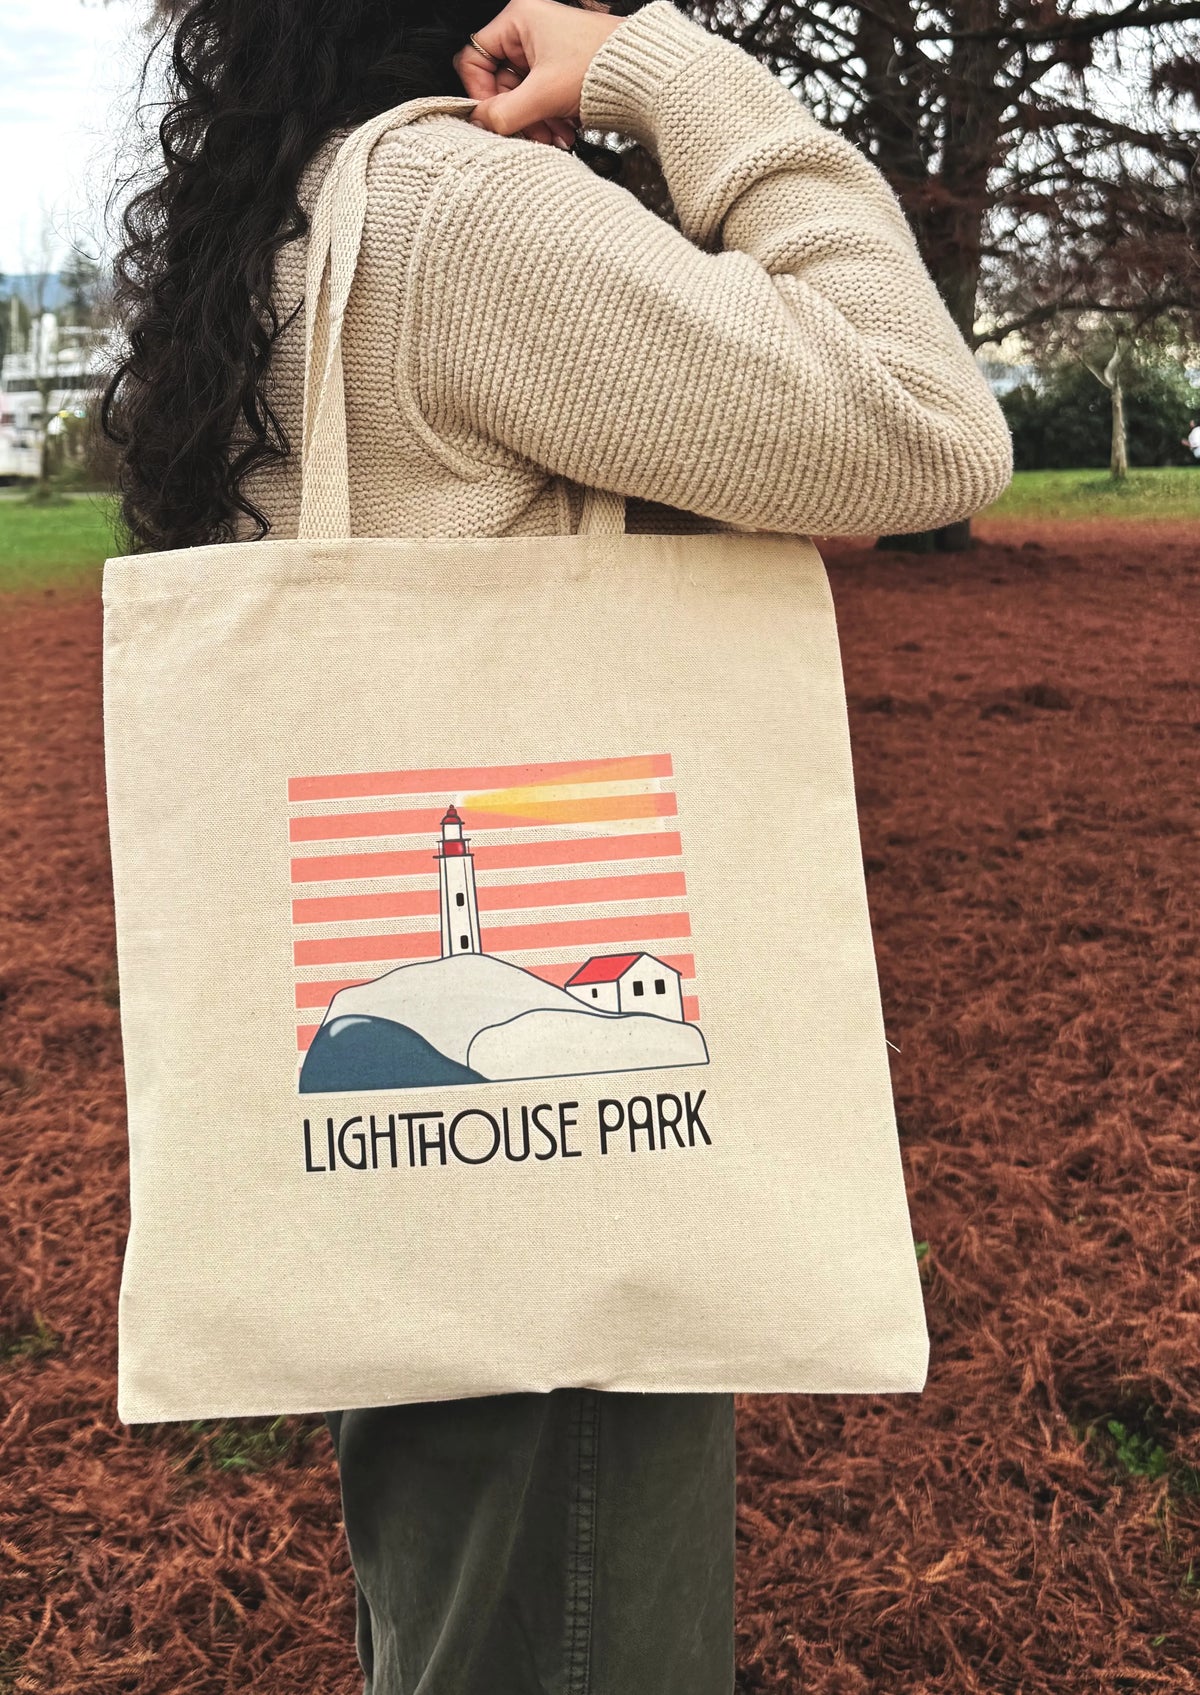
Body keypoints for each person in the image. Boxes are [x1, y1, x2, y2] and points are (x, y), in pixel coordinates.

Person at [101, 0, 1011, 1689]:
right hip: (559, 1201)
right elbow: (925, 428)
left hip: (416, 1181)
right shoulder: (466, 216)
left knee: (471, 1618)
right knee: (568, 1614)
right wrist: (674, 73)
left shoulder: (308, 211)